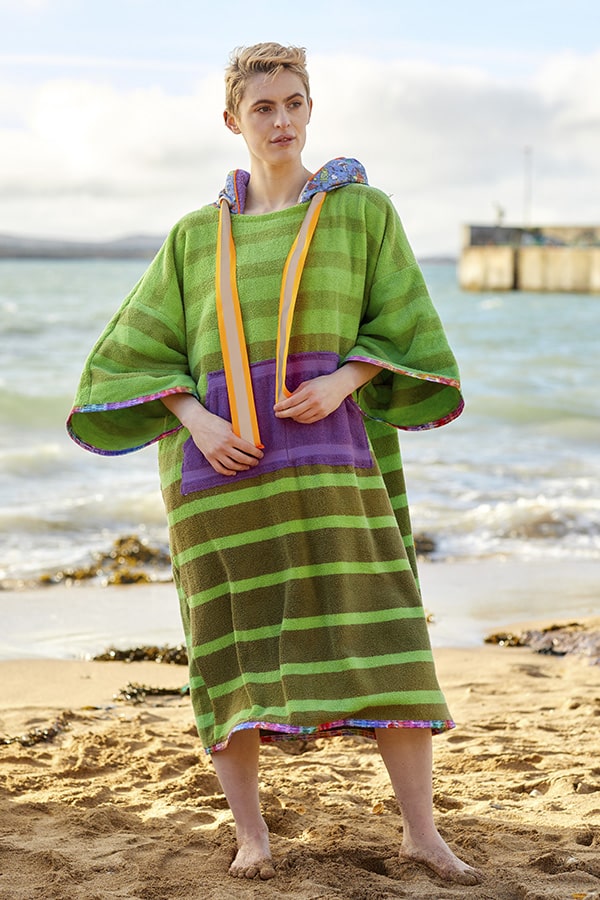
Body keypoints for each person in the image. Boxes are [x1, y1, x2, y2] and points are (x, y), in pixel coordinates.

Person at [67, 43, 481, 886]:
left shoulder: (363, 214)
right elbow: (127, 359)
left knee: (386, 629)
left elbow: (407, 328)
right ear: (233, 121)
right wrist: (195, 417)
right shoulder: (192, 239)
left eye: (294, 102)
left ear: (311, 109)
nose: (282, 119)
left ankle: (422, 834)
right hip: (224, 474)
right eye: (264, 108)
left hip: (333, 462)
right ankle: (252, 834)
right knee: (231, 647)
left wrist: (342, 380)